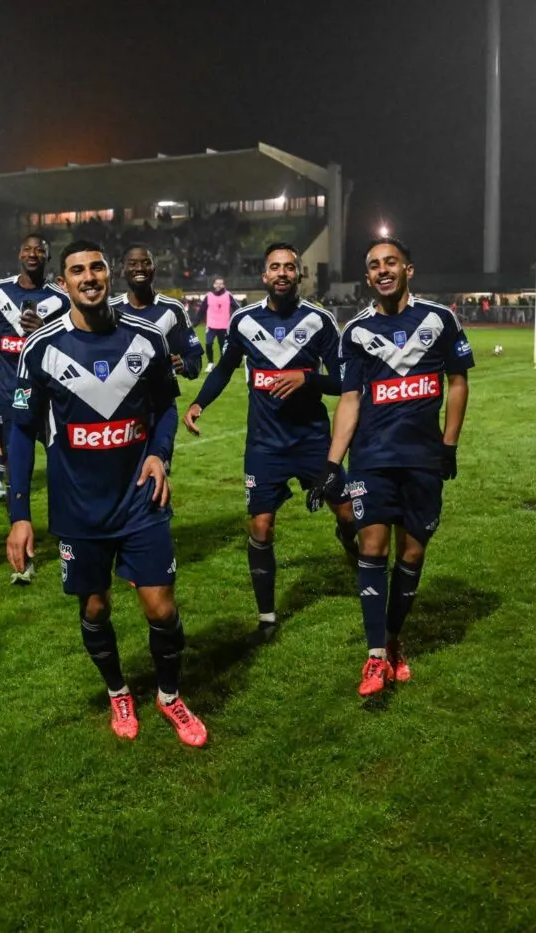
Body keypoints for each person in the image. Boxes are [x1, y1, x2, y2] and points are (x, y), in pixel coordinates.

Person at [6, 239, 206, 747]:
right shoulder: (40, 348)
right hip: (78, 509)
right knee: (95, 609)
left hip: (142, 497)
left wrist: (161, 452)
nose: (90, 277)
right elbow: (20, 433)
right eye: (78, 270)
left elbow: (164, 406)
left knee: (161, 608)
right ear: (64, 282)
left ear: (109, 275)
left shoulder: (147, 339)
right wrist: (19, 514)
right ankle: (118, 690)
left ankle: (168, 696)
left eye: (97, 267)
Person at [312, 237, 473, 697]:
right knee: (373, 544)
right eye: (374, 266)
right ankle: (375, 656)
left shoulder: (440, 319)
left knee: (413, 553)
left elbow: (457, 383)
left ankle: (394, 639)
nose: (383, 270)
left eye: (391, 262)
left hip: (422, 456)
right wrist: (332, 462)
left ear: (408, 269)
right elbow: (348, 400)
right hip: (373, 456)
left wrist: (449, 444)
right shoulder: (356, 332)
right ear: (367, 278)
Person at [184, 243, 356, 637]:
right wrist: (198, 403)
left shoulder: (321, 321)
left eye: (289, 267)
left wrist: (308, 379)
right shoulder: (243, 322)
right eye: (274, 267)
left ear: (299, 275)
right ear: (264, 276)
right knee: (261, 526)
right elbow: (224, 368)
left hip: (313, 440)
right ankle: (266, 617)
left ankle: (349, 545)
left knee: (347, 514)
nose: (281, 273)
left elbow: (347, 380)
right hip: (264, 445)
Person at [0, 234, 70, 584]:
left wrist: (43, 332)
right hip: (11, 393)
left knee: (63, 468)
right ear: (19, 254)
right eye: (27, 249)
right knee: (18, 470)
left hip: (53, 396)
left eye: (39, 249)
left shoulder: (61, 297)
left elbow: (72, 342)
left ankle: (69, 541)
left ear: (47, 256)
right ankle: (25, 559)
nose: (33, 254)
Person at [110, 243, 205, 381]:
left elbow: (195, 360)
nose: (140, 268)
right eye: (132, 263)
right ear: (123, 269)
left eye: (146, 263)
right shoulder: (109, 310)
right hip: (121, 400)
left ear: (154, 268)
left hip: (161, 400)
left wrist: (183, 365)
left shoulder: (173, 309)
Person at [198, 276, 234, 372]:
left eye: (221, 283)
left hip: (224, 326)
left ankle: (223, 364)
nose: (218, 285)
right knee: (208, 344)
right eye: (217, 283)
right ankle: (210, 363)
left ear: (223, 285)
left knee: (223, 346)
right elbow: (202, 310)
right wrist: (195, 322)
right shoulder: (209, 295)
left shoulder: (228, 295)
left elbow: (236, 307)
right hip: (211, 326)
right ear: (214, 285)